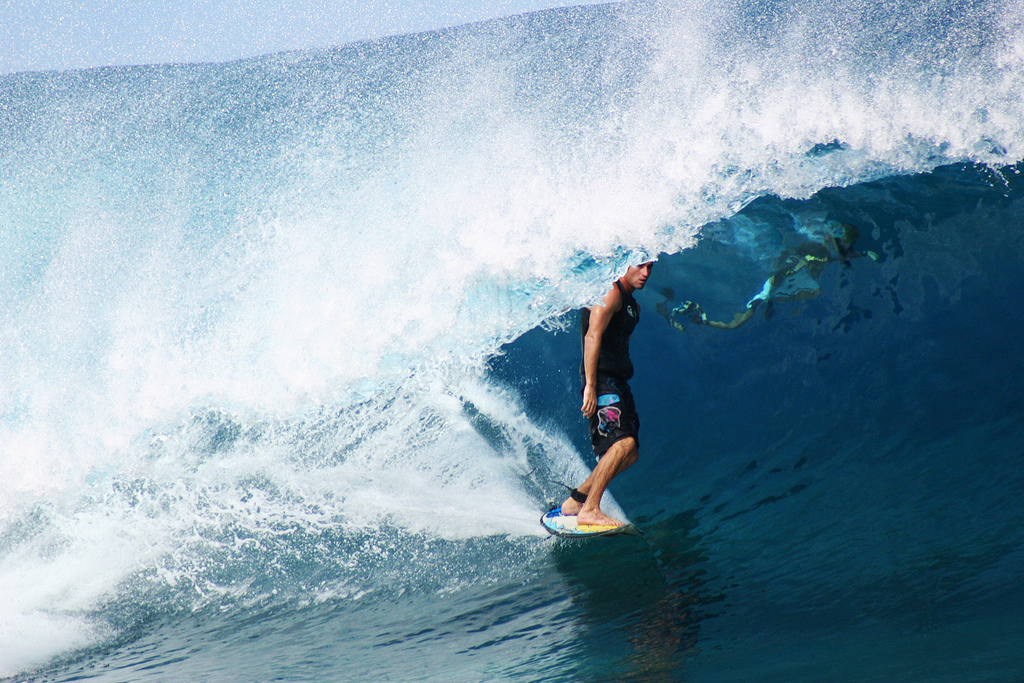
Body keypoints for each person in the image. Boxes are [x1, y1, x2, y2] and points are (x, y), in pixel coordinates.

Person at [559, 260, 654, 528]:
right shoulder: (610, 293)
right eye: (640, 266)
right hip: (602, 382)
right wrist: (590, 385)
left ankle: (578, 499)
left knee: (631, 452)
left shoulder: (632, 307)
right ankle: (590, 509)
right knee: (621, 445)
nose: (646, 273)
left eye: (650, 268)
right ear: (626, 265)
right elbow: (592, 336)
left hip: (619, 382)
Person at [668, 222, 877, 331]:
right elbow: (780, 276)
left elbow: (835, 257)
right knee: (817, 263)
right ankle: (699, 316)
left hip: (786, 282)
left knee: (817, 264)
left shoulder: (767, 294)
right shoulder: (770, 289)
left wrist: (863, 254)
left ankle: (700, 318)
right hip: (787, 278)